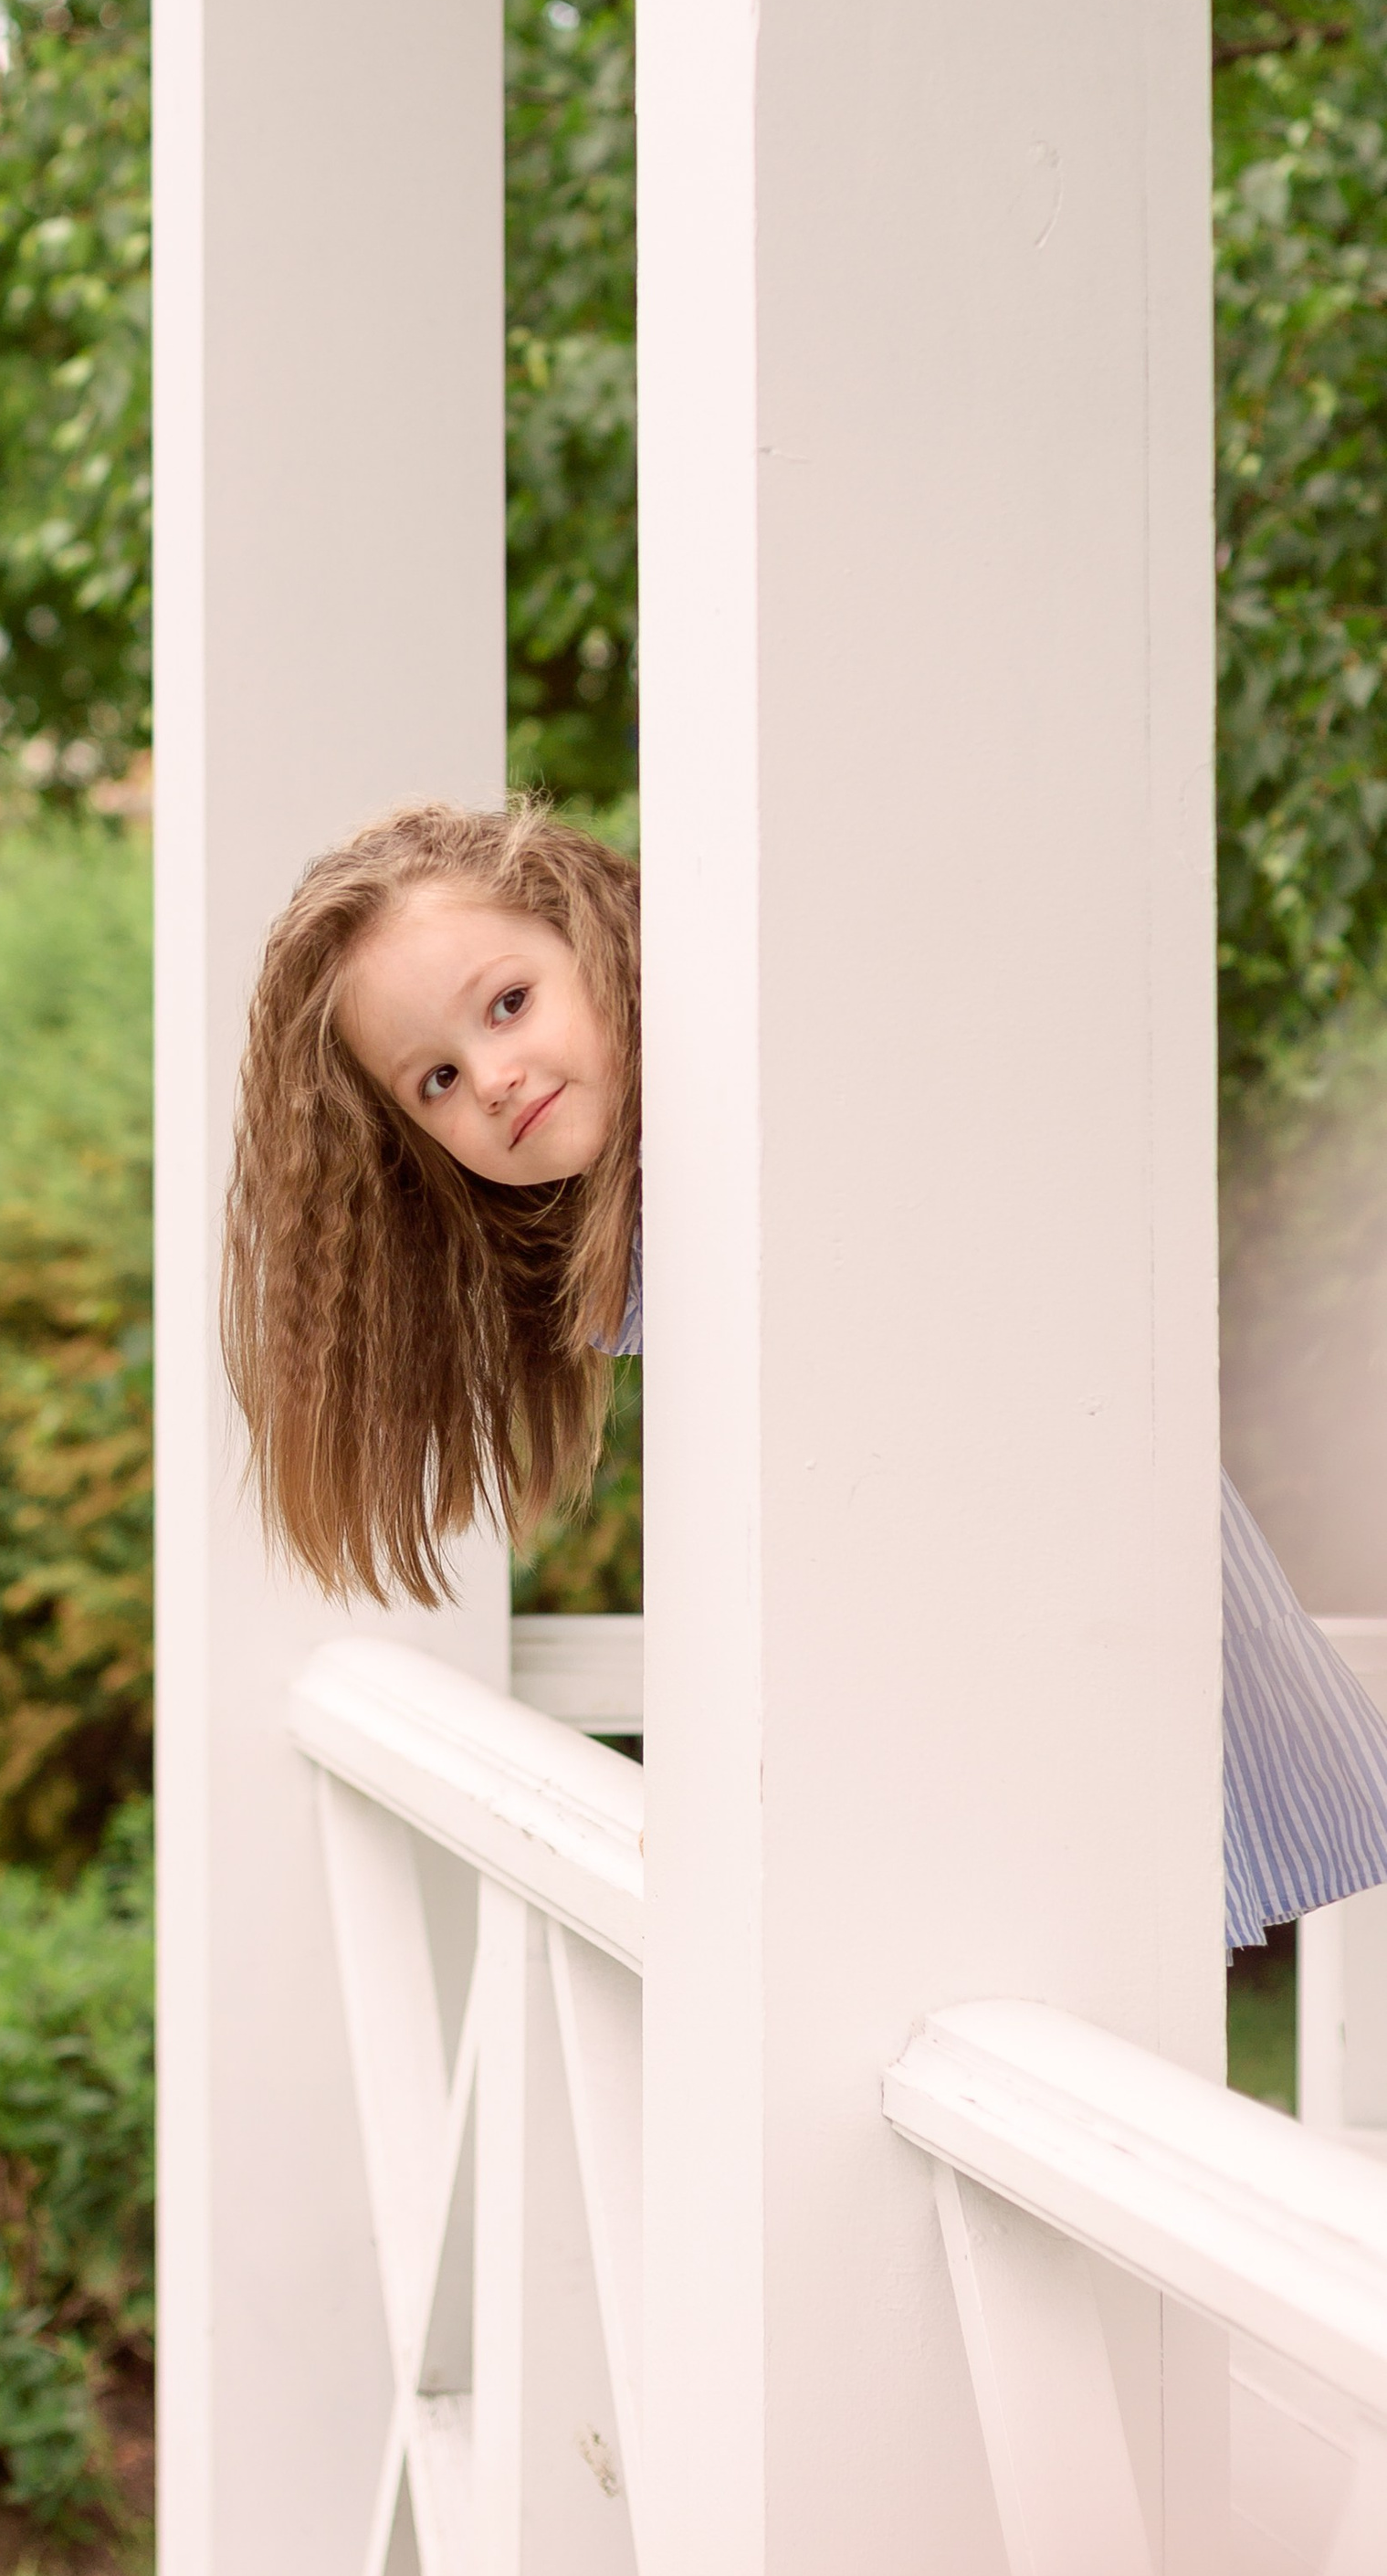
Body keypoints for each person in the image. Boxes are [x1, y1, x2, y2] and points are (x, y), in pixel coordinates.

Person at [221, 795, 1387, 1950]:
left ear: (600, 945)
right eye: (434, 1079)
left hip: (1084, 1637)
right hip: (999, 1688)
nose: (490, 1075)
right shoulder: (650, 1243)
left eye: (510, 1003)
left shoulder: (757, 1156)